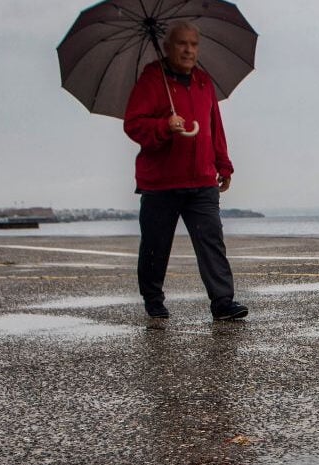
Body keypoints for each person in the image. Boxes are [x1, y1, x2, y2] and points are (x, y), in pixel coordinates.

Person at [123, 21, 248, 321]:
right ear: (168, 47)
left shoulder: (205, 83)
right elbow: (133, 125)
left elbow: (213, 127)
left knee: (212, 242)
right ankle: (153, 299)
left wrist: (224, 164)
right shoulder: (152, 80)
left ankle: (222, 302)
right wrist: (164, 126)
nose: (188, 50)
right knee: (155, 245)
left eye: (193, 44)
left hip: (202, 180)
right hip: (161, 183)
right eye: (182, 43)